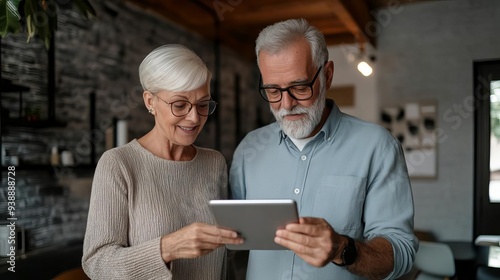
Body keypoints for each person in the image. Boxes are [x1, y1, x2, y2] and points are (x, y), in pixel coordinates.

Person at [229, 18, 418, 280]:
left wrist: (343, 249)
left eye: (299, 87)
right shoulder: (249, 149)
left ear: (327, 75)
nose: (286, 104)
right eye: (273, 90)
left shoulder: (378, 146)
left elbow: (402, 252)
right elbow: (232, 237)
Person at [82, 44, 242, 280]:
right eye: (179, 105)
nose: (194, 117)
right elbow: (97, 264)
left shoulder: (214, 163)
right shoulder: (119, 164)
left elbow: (224, 262)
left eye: (203, 104)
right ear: (150, 101)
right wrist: (168, 248)